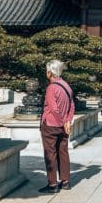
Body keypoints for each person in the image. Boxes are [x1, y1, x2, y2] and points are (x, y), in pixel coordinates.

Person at [38, 59, 75, 193]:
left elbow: (54, 109)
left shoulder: (51, 88)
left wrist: (62, 121)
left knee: (50, 153)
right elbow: (72, 105)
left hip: (51, 124)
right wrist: (67, 121)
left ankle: (52, 183)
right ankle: (65, 181)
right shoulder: (66, 86)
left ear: (49, 72)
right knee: (63, 152)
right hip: (63, 125)